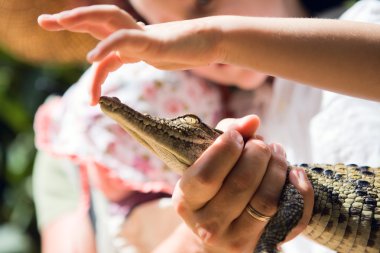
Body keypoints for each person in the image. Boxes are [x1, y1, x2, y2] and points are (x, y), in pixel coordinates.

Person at [31, 0, 380, 252]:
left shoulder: (367, 19)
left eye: (206, 3)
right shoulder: (250, 124)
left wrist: (221, 40)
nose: (188, 36)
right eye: (166, 27)